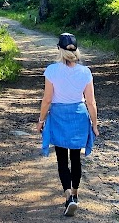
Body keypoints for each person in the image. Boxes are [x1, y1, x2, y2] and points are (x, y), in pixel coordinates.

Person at [37, 32, 99, 217]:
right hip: (79, 116)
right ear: (76, 50)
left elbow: (47, 100)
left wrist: (41, 121)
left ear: (59, 49)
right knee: (76, 159)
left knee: (62, 160)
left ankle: (68, 197)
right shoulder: (85, 72)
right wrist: (94, 125)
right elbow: (91, 102)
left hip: (59, 117)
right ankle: (76, 195)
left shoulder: (52, 70)